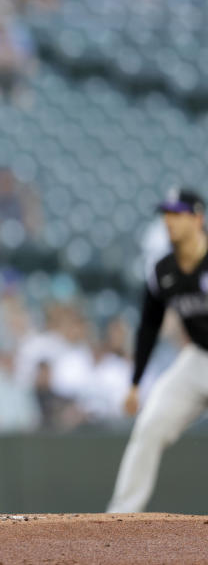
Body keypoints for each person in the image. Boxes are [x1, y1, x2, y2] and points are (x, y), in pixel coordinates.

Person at [108, 188, 208, 512]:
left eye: (177, 214)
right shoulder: (163, 270)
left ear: (198, 218)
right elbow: (149, 327)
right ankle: (121, 516)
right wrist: (135, 383)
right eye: (166, 214)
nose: (169, 221)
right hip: (197, 358)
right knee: (149, 425)